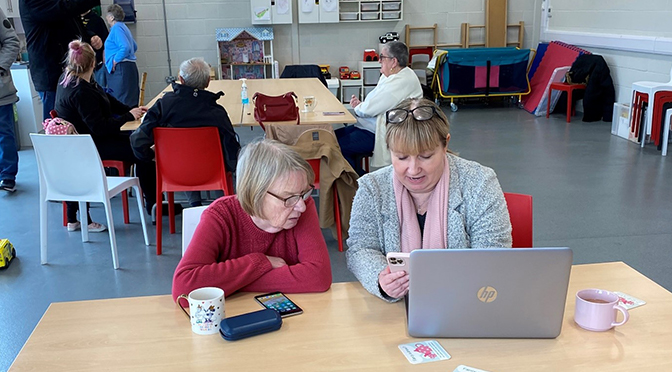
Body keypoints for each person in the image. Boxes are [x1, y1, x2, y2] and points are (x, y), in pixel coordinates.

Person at [346, 98, 512, 302]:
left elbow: (493, 253)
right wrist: (381, 278)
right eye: (401, 157)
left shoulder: (479, 183)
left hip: (465, 302)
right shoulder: (372, 188)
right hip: (397, 309)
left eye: (425, 156)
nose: (413, 169)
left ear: (445, 144)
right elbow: (360, 248)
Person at [172, 139, 332, 303]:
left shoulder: (302, 204)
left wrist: (230, 282)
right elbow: (183, 290)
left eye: (304, 193)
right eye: (289, 197)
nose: (301, 206)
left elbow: (319, 276)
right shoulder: (220, 215)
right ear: (256, 194)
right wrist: (259, 263)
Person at [54, 40, 154, 231]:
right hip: (90, 145)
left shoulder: (70, 79)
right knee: (142, 151)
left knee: (137, 143)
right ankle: (152, 205)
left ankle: (72, 218)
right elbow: (100, 127)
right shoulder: (81, 91)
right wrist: (127, 116)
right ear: (94, 63)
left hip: (76, 144)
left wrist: (132, 110)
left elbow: (108, 100)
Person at [130, 57, 240, 207]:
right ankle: (222, 205)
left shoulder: (164, 106)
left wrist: (153, 156)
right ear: (208, 81)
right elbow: (232, 149)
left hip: (174, 172)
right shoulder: (217, 112)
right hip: (212, 172)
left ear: (181, 79)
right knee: (220, 156)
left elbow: (138, 140)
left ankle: (195, 204)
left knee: (184, 154)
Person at [335, 41, 422, 176]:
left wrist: (359, 107)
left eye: (382, 57)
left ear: (393, 62)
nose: (379, 60)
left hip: (381, 133)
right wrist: (361, 106)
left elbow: (369, 109)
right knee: (331, 138)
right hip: (368, 126)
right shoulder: (391, 76)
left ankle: (361, 185)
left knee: (337, 148)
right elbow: (373, 102)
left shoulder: (401, 81)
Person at [18, 0, 101, 120]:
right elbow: (64, 9)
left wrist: (89, 36)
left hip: (70, 71)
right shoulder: (31, 2)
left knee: (77, 121)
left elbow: (69, 22)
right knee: (56, 126)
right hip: (52, 74)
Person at [104, 4, 139, 108]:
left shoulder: (116, 29)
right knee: (130, 101)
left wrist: (115, 60)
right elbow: (134, 46)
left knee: (121, 102)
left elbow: (126, 47)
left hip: (120, 70)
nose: (106, 18)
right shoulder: (124, 27)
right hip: (129, 68)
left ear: (111, 17)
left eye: (107, 16)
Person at [0, 8, 20, 192]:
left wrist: (0, 67)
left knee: (4, 133)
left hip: (1, 92)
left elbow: (12, 42)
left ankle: (7, 176)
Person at [81, 8, 109, 87]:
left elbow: (106, 42)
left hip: (96, 66)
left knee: (98, 90)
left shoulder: (97, 20)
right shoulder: (72, 20)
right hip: (79, 67)